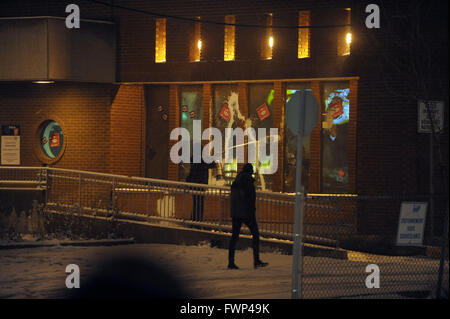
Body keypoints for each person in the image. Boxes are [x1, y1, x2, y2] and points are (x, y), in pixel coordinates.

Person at [228, 163, 268, 269]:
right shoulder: (248, 182)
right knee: (255, 235)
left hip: (236, 213)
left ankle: (231, 262)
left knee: (234, 237)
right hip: (246, 213)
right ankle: (256, 260)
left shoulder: (236, 181)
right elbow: (249, 199)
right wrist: (251, 211)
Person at [186, 158, 216, 222]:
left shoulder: (196, 161)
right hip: (200, 185)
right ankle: (197, 221)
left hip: (195, 185)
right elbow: (212, 164)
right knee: (199, 205)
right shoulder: (201, 161)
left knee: (196, 204)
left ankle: (194, 221)